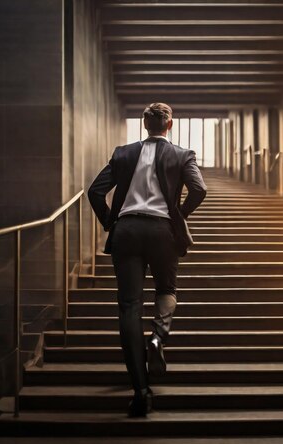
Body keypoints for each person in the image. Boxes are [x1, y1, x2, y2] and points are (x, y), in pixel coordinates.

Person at [88, 103, 207, 417]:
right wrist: (178, 215)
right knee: (166, 290)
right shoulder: (183, 155)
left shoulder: (123, 153)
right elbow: (199, 189)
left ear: (145, 126)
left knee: (129, 305)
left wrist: (110, 223)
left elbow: (94, 193)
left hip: (126, 230)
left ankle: (140, 392)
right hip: (162, 230)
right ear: (169, 126)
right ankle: (158, 336)